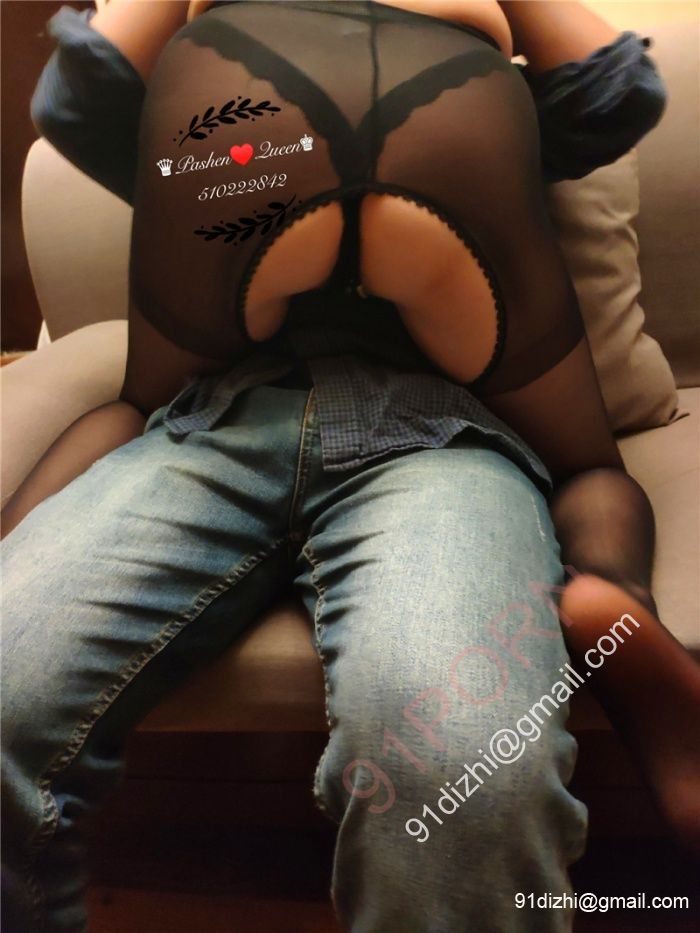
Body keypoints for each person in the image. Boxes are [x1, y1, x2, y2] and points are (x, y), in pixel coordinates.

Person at [2, 2, 696, 932]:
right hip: (248, 413)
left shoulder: (211, 100)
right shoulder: (489, 98)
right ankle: (615, 592)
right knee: (569, 502)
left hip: (407, 430)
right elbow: (619, 92)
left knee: (459, 767)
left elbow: (77, 97)